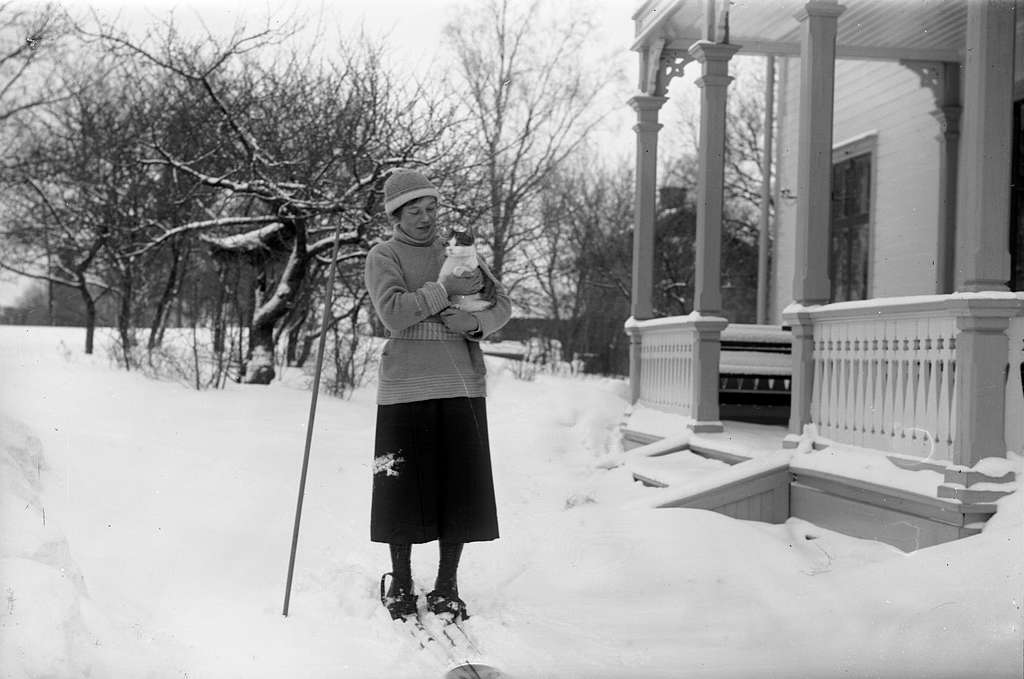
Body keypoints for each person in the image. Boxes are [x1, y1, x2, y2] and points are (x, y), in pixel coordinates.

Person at [364, 168, 511, 621]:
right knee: (401, 489)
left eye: (432, 208)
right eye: (415, 211)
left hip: (460, 385)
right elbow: (392, 314)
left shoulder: (460, 255)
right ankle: (402, 583)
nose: (427, 218)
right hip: (405, 386)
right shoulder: (383, 255)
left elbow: (501, 306)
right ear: (396, 215)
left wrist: (472, 323)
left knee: (458, 489)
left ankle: (447, 584)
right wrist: (445, 291)